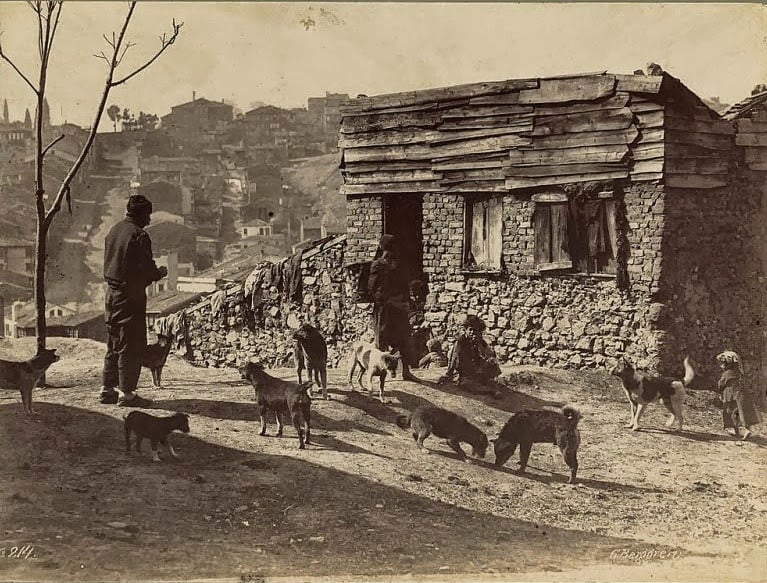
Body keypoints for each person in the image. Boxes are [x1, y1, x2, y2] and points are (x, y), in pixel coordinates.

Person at [100, 194, 167, 407]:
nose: (149, 220)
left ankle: (107, 389)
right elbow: (145, 269)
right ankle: (127, 394)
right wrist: (159, 273)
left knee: (114, 342)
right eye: (147, 215)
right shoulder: (139, 235)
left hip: (111, 295)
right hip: (130, 297)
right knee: (131, 345)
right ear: (140, 214)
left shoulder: (114, 231)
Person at [367, 234, 417, 381]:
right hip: (384, 310)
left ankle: (406, 372)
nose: (392, 253)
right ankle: (379, 371)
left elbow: (404, 285)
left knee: (404, 338)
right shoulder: (377, 266)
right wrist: (389, 301)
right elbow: (373, 290)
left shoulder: (398, 265)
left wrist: (406, 301)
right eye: (389, 249)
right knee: (382, 340)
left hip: (398, 309)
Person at [439, 313, 501, 388]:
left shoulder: (479, 340)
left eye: (475, 330)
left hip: (475, 368)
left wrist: (478, 343)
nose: (472, 332)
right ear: (465, 330)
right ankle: (489, 390)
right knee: (467, 384)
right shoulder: (461, 341)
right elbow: (454, 358)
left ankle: (490, 382)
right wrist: (449, 374)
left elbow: (488, 354)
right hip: (464, 370)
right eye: (470, 330)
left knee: (492, 363)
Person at [715, 350, 762, 440]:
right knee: (742, 413)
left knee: (732, 413)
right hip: (742, 395)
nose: (721, 366)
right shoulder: (738, 373)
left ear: (727, 365)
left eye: (723, 364)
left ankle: (738, 430)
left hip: (731, 396)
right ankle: (745, 429)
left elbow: (721, 384)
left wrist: (720, 389)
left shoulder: (727, 374)